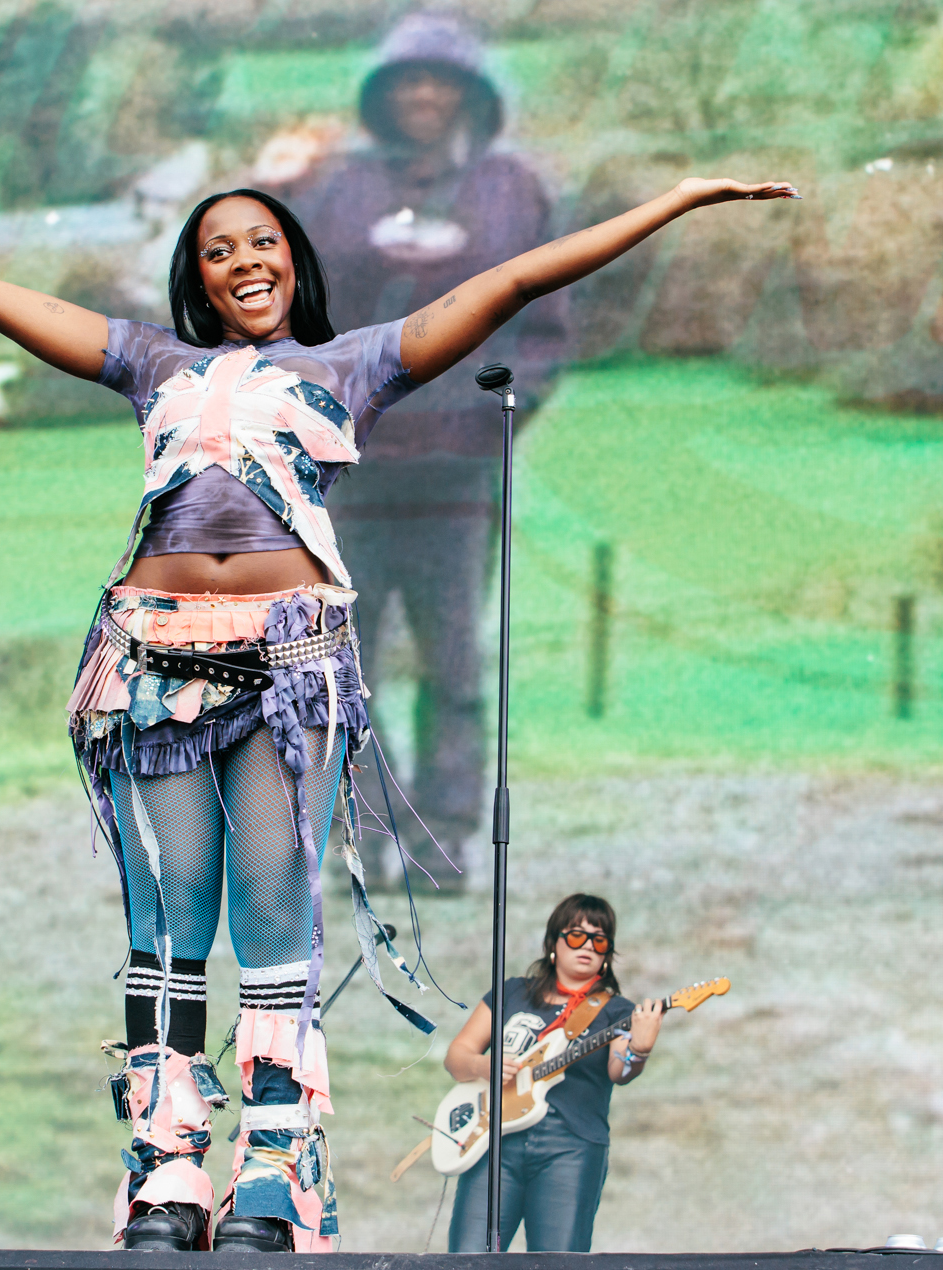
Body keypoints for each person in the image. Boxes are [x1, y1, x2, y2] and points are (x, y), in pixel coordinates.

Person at [0, 166, 793, 1251]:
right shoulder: (148, 361)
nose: (244, 261)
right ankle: (164, 1172)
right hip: (150, 659)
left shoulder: (351, 364)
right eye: (218, 250)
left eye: (261, 243)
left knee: (268, 913)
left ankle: (268, 1172)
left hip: (285, 659)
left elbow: (519, 278)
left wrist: (673, 201)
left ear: (292, 260)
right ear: (196, 280)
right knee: (165, 924)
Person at [294, 14, 567, 892]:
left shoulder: (514, 191)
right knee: (345, 670)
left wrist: (491, 418)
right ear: (381, 94)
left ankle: (442, 836)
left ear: (470, 93)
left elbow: (546, 328)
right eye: (406, 81)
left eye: (439, 81)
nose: (422, 95)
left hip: (458, 474)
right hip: (348, 475)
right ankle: (362, 839)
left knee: (453, 659)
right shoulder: (333, 193)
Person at [441, 894, 656, 1252]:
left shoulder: (617, 1010)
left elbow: (621, 1071)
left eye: (599, 940)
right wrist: (485, 1066)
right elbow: (456, 1056)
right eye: (576, 935)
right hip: (495, 1143)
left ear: (607, 954)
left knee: (558, 1261)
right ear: (553, 942)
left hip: (570, 1148)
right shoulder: (512, 992)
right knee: (469, 1258)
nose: (587, 945)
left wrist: (640, 1049)